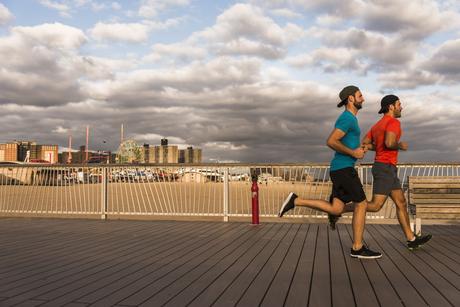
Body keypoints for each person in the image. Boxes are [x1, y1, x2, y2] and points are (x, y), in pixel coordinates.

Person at [278, 85, 382, 259]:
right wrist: (353, 153)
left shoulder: (351, 120)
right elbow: (331, 141)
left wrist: (359, 150)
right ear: (351, 98)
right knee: (362, 204)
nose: (363, 98)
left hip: (340, 168)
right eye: (360, 95)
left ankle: (296, 200)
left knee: (336, 209)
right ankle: (357, 248)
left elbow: (345, 144)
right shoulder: (347, 118)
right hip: (343, 169)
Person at [358, 95, 431, 250]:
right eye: (399, 104)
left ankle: (411, 238)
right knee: (375, 206)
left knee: (401, 203)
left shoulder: (377, 125)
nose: (401, 107)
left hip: (388, 168)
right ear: (391, 106)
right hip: (385, 168)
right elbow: (390, 143)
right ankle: (340, 209)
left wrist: (379, 147)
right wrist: (399, 145)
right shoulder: (393, 122)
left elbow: (365, 143)